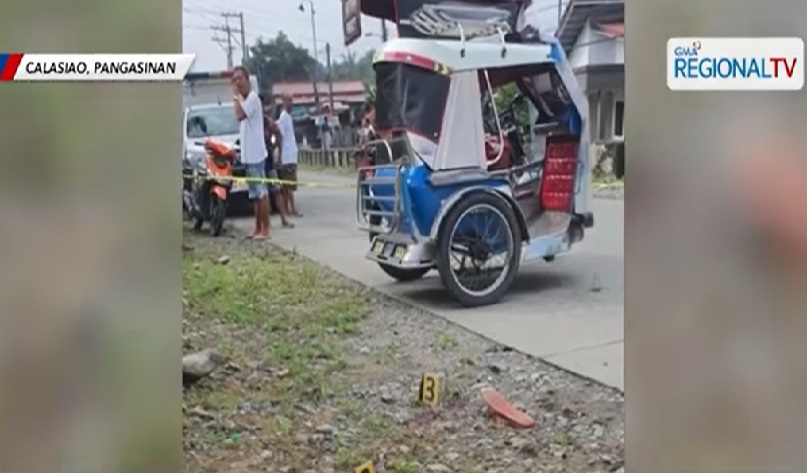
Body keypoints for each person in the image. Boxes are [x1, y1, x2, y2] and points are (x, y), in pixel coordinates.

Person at [231, 65, 269, 240]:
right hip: (248, 155)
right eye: (235, 79)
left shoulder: (252, 99)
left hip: (256, 155)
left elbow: (239, 115)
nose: (237, 82)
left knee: (261, 193)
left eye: (239, 78)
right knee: (254, 195)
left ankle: (265, 230)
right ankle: (257, 228)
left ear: (247, 80)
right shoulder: (245, 100)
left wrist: (235, 97)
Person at [262, 104, 293, 228]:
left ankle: (284, 218)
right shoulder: (251, 123)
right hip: (256, 160)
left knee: (276, 190)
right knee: (261, 194)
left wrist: (277, 150)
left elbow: (278, 134)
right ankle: (264, 223)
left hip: (268, 160)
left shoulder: (268, 123)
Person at [277, 94, 302, 217]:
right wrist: (280, 155)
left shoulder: (289, 117)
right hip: (286, 156)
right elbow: (280, 137)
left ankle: (289, 209)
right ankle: (291, 209)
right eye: (288, 100)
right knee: (288, 186)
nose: (291, 103)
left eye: (292, 100)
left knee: (289, 186)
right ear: (283, 102)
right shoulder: (283, 118)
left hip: (292, 155)